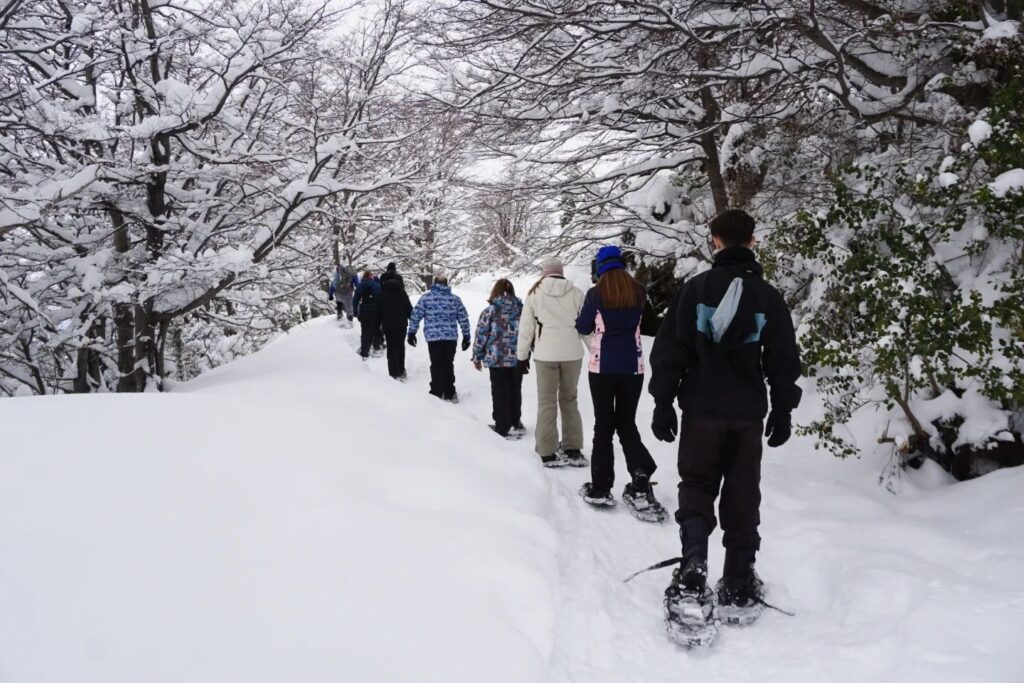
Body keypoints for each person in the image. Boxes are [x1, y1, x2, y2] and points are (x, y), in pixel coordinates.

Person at [648, 208, 801, 633]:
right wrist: (784, 407)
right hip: (747, 414)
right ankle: (737, 579)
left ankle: (694, 562)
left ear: (715, 240)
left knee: (696, 484)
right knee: (742, 491)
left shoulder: (695, 289)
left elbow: (670, 350)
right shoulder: (768, 297)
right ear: (752, 241)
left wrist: (663, 402)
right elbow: (783, 358)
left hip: (700, 410)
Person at [575, 246, 664, 521]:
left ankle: (601, 487)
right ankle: (639, 476)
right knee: (626, 424)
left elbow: (583, 327)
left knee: (604, 426)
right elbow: (650, 325)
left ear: (599, 267)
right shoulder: (638, 291)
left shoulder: (596, 293)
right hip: (633, 368)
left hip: (601, 368)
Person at [516, 257, 587, 468]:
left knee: (546, 402)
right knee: (570, 400)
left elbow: (526, 329)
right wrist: (597, 354)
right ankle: (573, 449)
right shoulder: (576, 294)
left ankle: (547, 452)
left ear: (544, 273)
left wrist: (521, 357)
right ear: (561, 272)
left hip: (545, 354)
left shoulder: (534, 294)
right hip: (573, 354)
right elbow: (586, 327)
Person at [472, 279, 528, 439]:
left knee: (499, 391)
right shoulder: (522, 310)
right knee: (515, 389)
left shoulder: (490, 311)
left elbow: (481, 334)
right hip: (518, 357)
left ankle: (502, 426)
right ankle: (516, 422)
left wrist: (477, 356)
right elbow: (528, 332)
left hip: (496, 358)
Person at [407, 273, 472, 402]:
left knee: (436, 364)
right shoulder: (455, 299)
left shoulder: (426, 298)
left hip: (433, 337)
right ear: (446, 284)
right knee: (448, 364)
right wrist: (466, 336)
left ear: (434, 284)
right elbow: (463, 318)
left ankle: (436, 391)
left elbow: (416, 316)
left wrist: (411, 333)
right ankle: (449, 391)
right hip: (450, 337)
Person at [380, 273, 413, 380]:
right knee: (400, 347)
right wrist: (412, 321)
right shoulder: (402, 293)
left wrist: (377, 327)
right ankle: (401, 370)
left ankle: (393, 372)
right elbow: (409, 309)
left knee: (391, 347)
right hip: (401, 325)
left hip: (387, 326)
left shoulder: (382, 294)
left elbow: (378, 311)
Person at [353, 270, 383, 359]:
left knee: (365, 331)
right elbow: (381, 298)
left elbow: (355, 300)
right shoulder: (376, 285)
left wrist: (355, 312)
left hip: (364, 310)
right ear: (371, 276)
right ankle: (377, 347)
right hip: (376, 310)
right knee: (376, 328)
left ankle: (364, 351)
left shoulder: (360, 286)